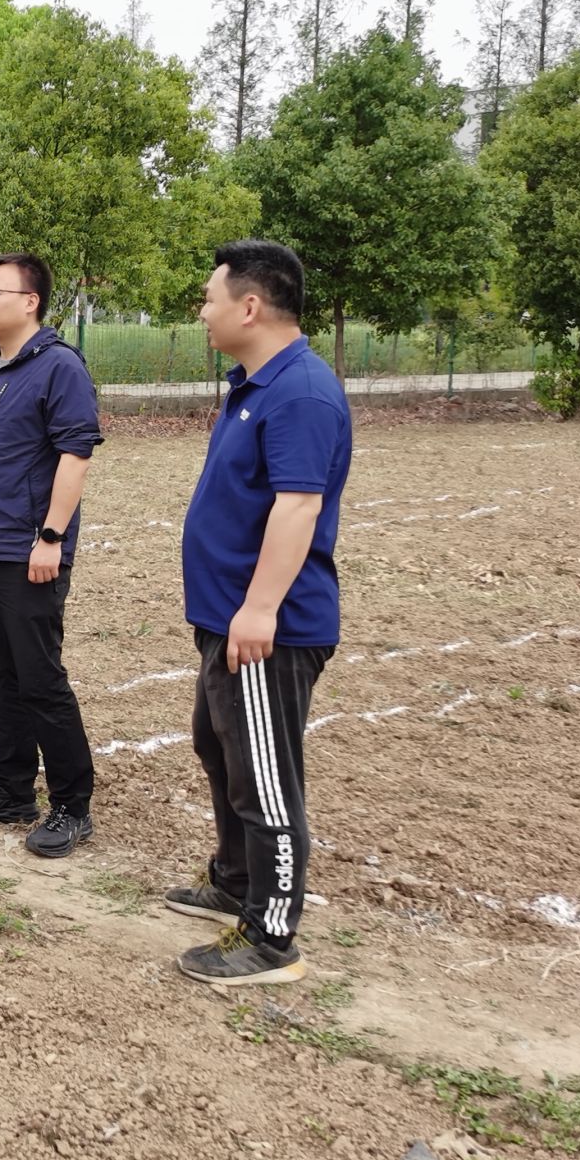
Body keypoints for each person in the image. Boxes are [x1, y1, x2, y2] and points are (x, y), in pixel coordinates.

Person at [165, 240, 351, 986]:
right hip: (229, 619)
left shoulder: (300, 392)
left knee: (264, 777)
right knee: (219, 748)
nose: (202, 312)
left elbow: (298, 506)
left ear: (249, 306)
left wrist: (260, 608)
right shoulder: (255, 385)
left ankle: (271, 937)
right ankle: (235, 881)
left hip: (268, 627)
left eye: (210, 299)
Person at [0, 253, 104, 857]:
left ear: (30, 301)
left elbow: (75, 455)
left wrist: (51, 537)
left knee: (39, 679)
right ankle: (11, 788)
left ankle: (72, 805)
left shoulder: (59, 367)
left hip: (30, 550)